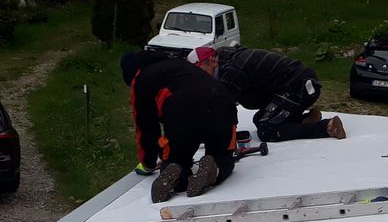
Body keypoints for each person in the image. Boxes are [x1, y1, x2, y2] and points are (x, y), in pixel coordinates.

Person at [122, 48, 239, 201]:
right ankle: (214, 168)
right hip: (223, 103)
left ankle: (177, 174)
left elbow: (146, 127)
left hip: (183, 112)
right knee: (222, 155)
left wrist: (148, 163)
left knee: (176, 158)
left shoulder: (141, 80)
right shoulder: (179, 64)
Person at [192, 45, 346, 143]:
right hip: (297, 84)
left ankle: (327, 127)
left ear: (211, 61)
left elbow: (222, 107)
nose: (198, 77)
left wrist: (203, 133)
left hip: (300, 87)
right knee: (260, 118)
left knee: (267, 130)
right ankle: (304, 120)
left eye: (198, 71)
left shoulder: (233, 70)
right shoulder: (228, 59)